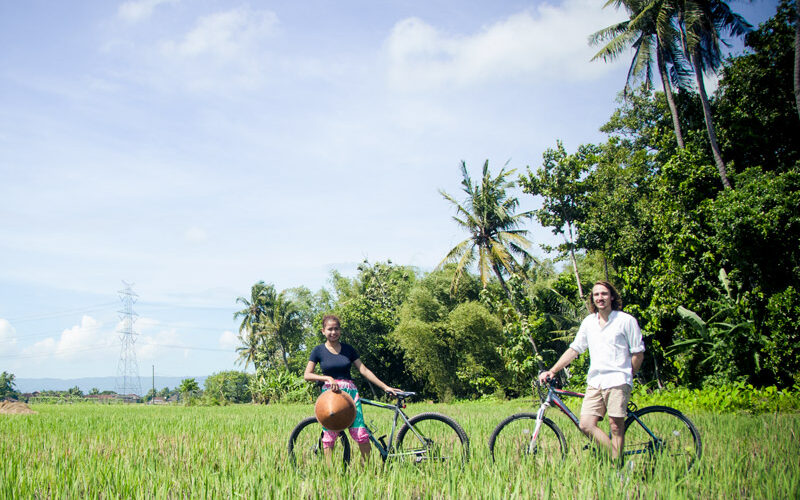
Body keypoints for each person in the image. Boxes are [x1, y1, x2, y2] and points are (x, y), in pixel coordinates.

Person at [538, 281, 645, 460]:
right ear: (592, 299)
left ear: (612, 296)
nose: (600, 298)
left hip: (618, 380)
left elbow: (638, 353)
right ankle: (617, 458)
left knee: (616, 426)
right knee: (586, 425)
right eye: (596, 295)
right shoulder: (589, 322)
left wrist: (627, 377)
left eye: (604, 294)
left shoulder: (626, 321)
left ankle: (618, 469)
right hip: (595, 381)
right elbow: (575, 349)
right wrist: (553, 370)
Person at [304, 314, 401, 462]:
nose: (333, 332)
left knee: (361, 433)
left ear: (340, 331)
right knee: (329, 435)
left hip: (350, 395)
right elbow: (307, 375)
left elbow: (364, 370)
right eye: (330, 329)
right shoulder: (318, 351)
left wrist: (385, 387)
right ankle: (330, 474)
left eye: (336, 329)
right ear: (323, 331)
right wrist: (327, 378)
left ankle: (367, 471)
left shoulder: (348, 349)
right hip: (330, 396)